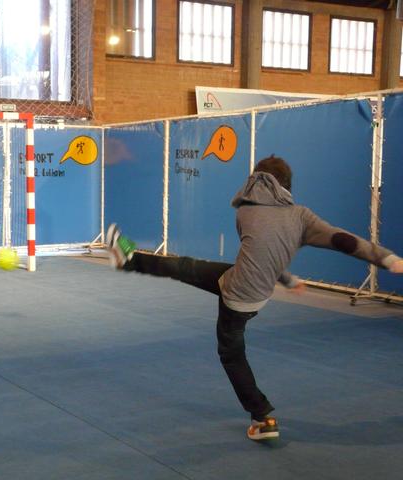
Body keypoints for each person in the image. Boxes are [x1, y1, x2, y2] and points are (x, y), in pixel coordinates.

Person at [106, 155, 403, 441]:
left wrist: (287, 279)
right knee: (185, 267)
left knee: (231, 354)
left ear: (257, 182)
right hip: (248, 285)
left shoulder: (245, 212)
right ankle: (128, 258)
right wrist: (387, 259)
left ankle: (261, 418)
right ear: (286, 186)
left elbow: (265, 247)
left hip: (238, 295)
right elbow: (340, 241)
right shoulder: (301, 217)